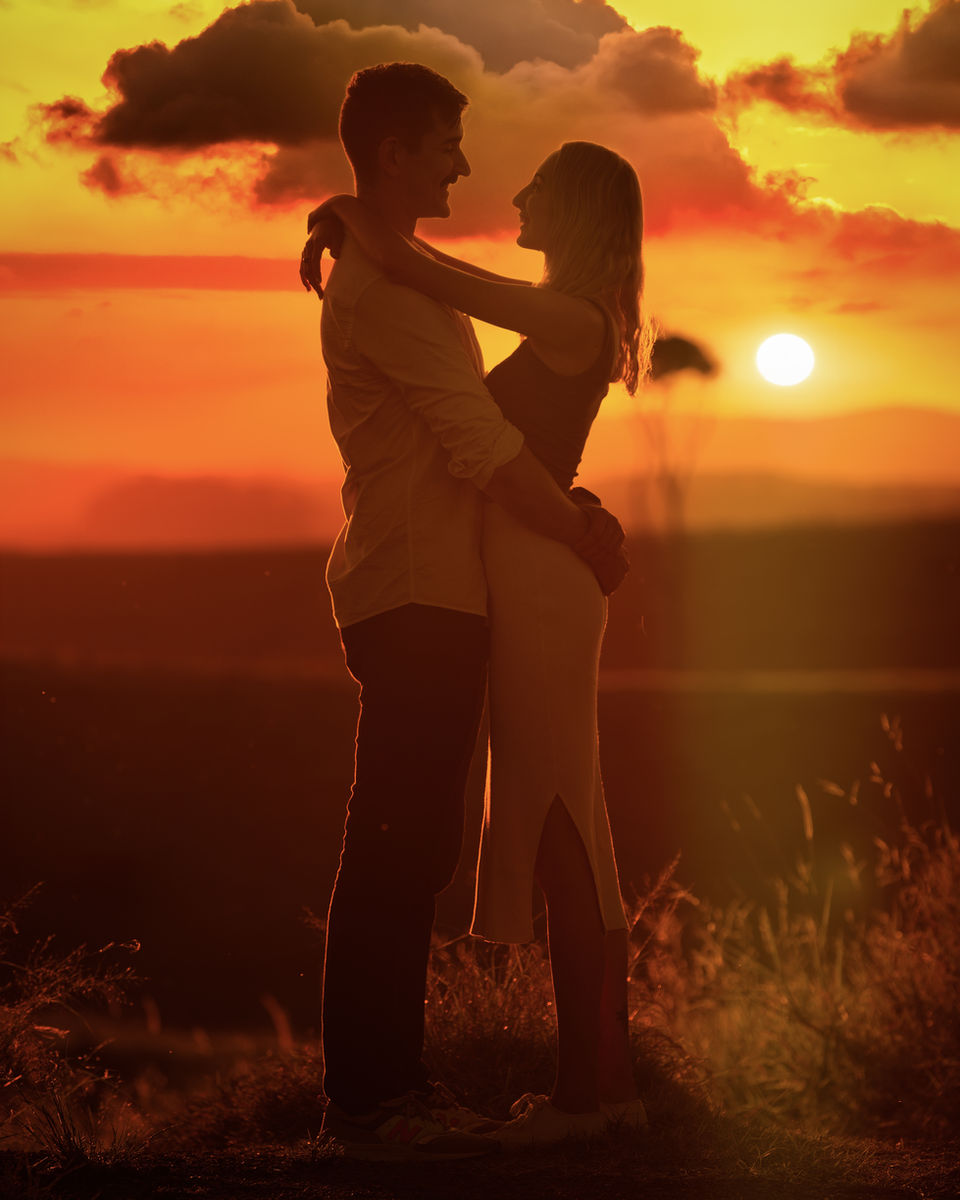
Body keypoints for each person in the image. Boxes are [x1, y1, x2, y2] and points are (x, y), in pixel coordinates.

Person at [301, 63, 628, 1161]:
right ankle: (375, 1103)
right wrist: (579, 525)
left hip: (441, 585)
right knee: (400, 842)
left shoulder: (409, 279)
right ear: (397, 150)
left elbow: (505, 433)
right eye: (448, 143)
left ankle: (395, 1093)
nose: (467, 164)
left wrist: (570, 503)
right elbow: (484, 448)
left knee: (420, 839)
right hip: (417, 587)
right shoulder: (389, 290)